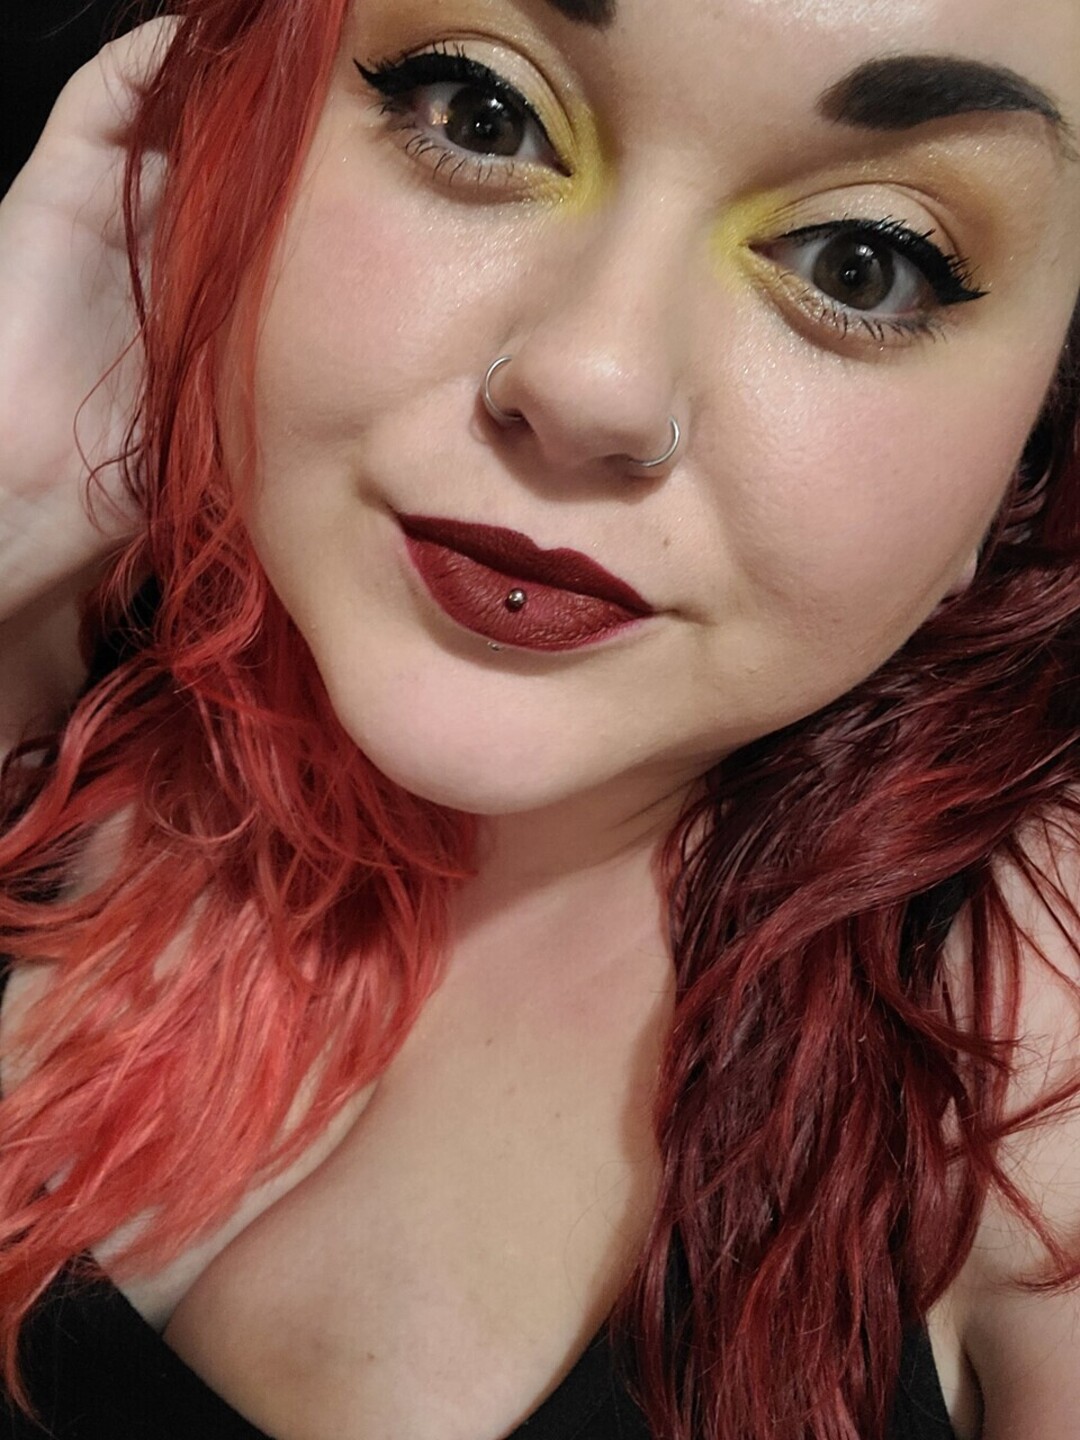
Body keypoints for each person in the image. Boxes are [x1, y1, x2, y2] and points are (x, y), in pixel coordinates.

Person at [1, 0, 1078, 1436]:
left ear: (1031, 443)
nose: (590, 385)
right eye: (481, 114)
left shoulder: (1030, 1029)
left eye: (863, 265)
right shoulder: (75, 668)